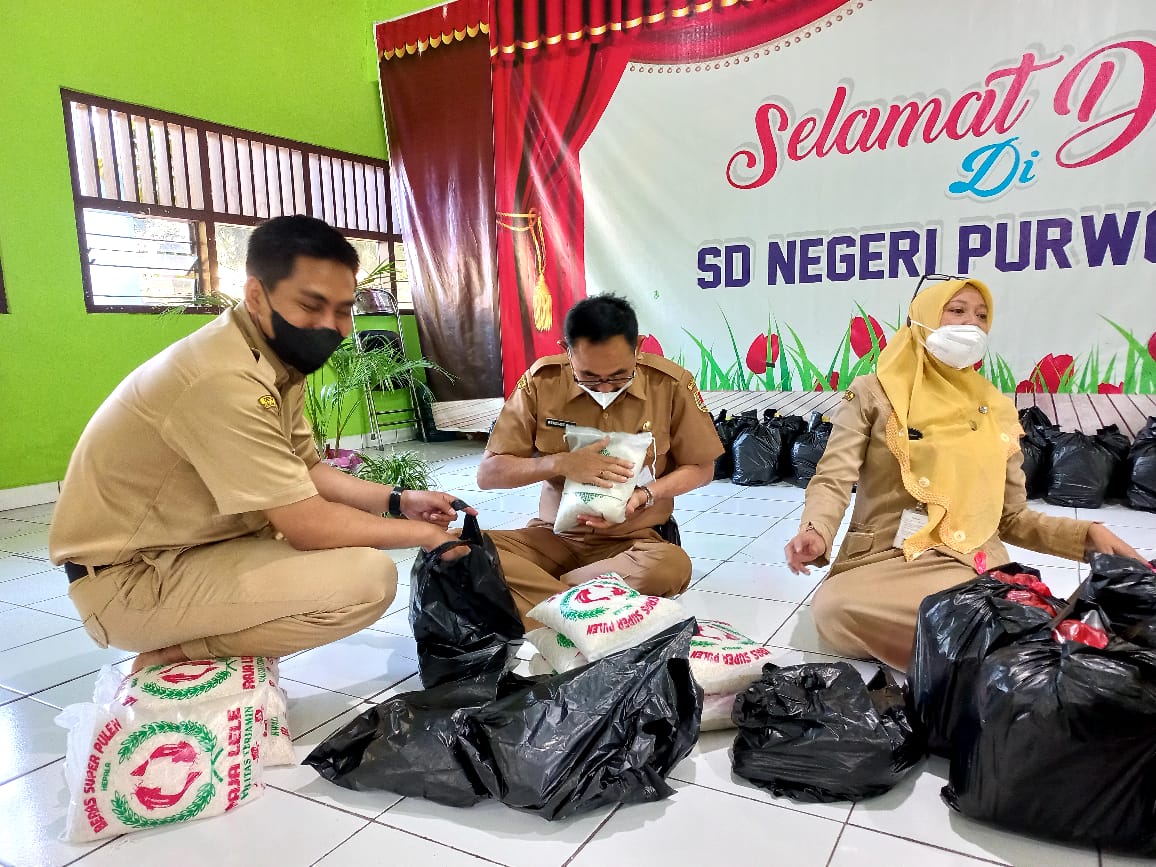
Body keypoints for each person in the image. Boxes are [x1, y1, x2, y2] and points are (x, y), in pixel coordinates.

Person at [50, 215, 471, 673]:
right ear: (255, 295)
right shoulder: (222, 377)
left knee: (341, 546)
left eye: (343, 310)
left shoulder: (273, 359)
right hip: (129, 580)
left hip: (197, 548)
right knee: (366, 581)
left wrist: (399, 501)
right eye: (311, 305)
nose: (333, 326)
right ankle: (175, 654)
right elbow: (308, 525)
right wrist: (425, 536)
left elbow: (309, 469)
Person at [784, 277, 1145, 670]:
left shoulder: (995, 408)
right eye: (956, 311)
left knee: (958, 614)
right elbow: (833, 477)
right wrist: (816, 530)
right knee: (833, 609)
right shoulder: (874, 392)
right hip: (883, 556)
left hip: (965, 561)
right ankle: (1006, 643)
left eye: (981, 315)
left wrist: (1085, 535)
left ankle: (1000, 643)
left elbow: (1012, 518)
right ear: (921, 318)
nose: (971, 323)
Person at [478, 294, 723, 621]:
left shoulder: (670, 385)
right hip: (552, 537)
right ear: (566, 350)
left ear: (638, 347)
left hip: (631, 543)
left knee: (670, 566)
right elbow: (488, 473)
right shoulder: (541, 382)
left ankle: (543, 598)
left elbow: (702, 468)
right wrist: (559, 463)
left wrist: (643, 496)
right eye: (590, 377)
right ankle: (581, 600)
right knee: (460, 548)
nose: (605, 389)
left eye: (619, 376)